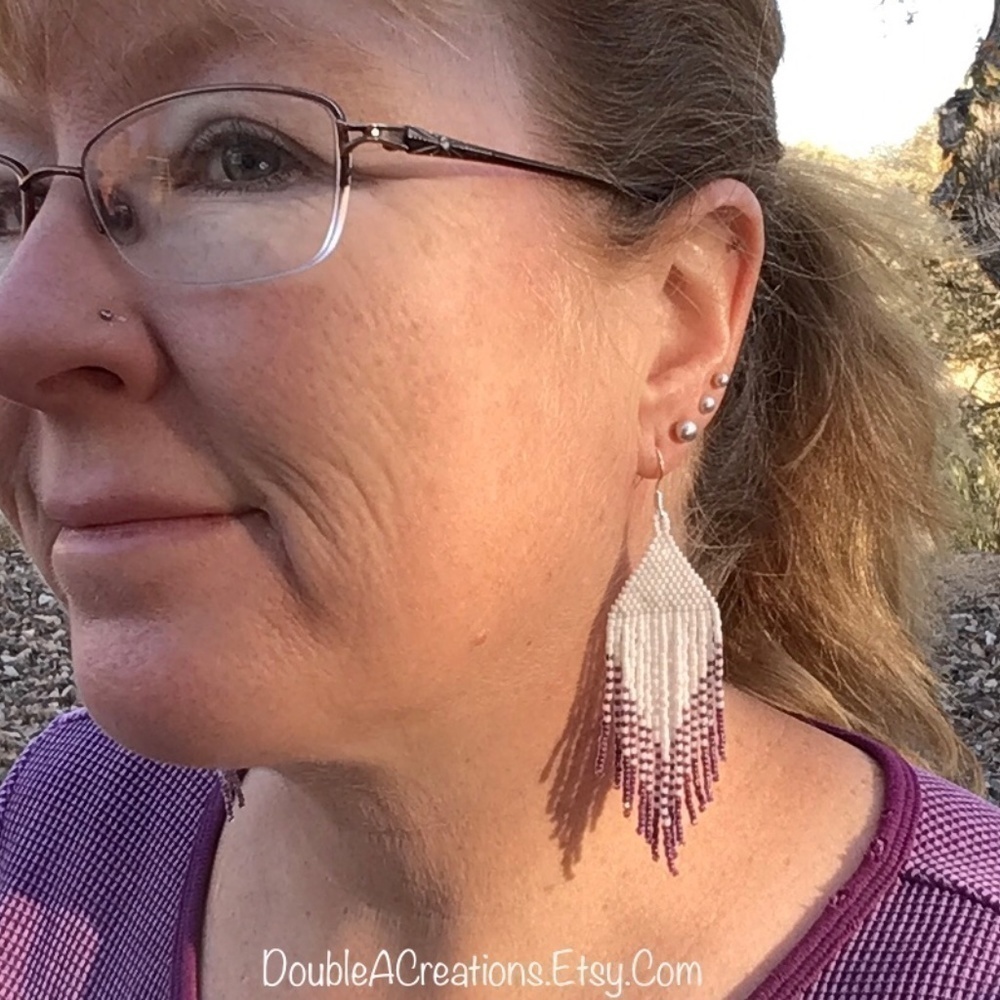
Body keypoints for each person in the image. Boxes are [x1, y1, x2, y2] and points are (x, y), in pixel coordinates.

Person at [0, 0, 997, 997]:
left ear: (677, 320)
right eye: (7, 199)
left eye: (242, 157)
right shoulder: (51, 834)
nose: (23, 323)